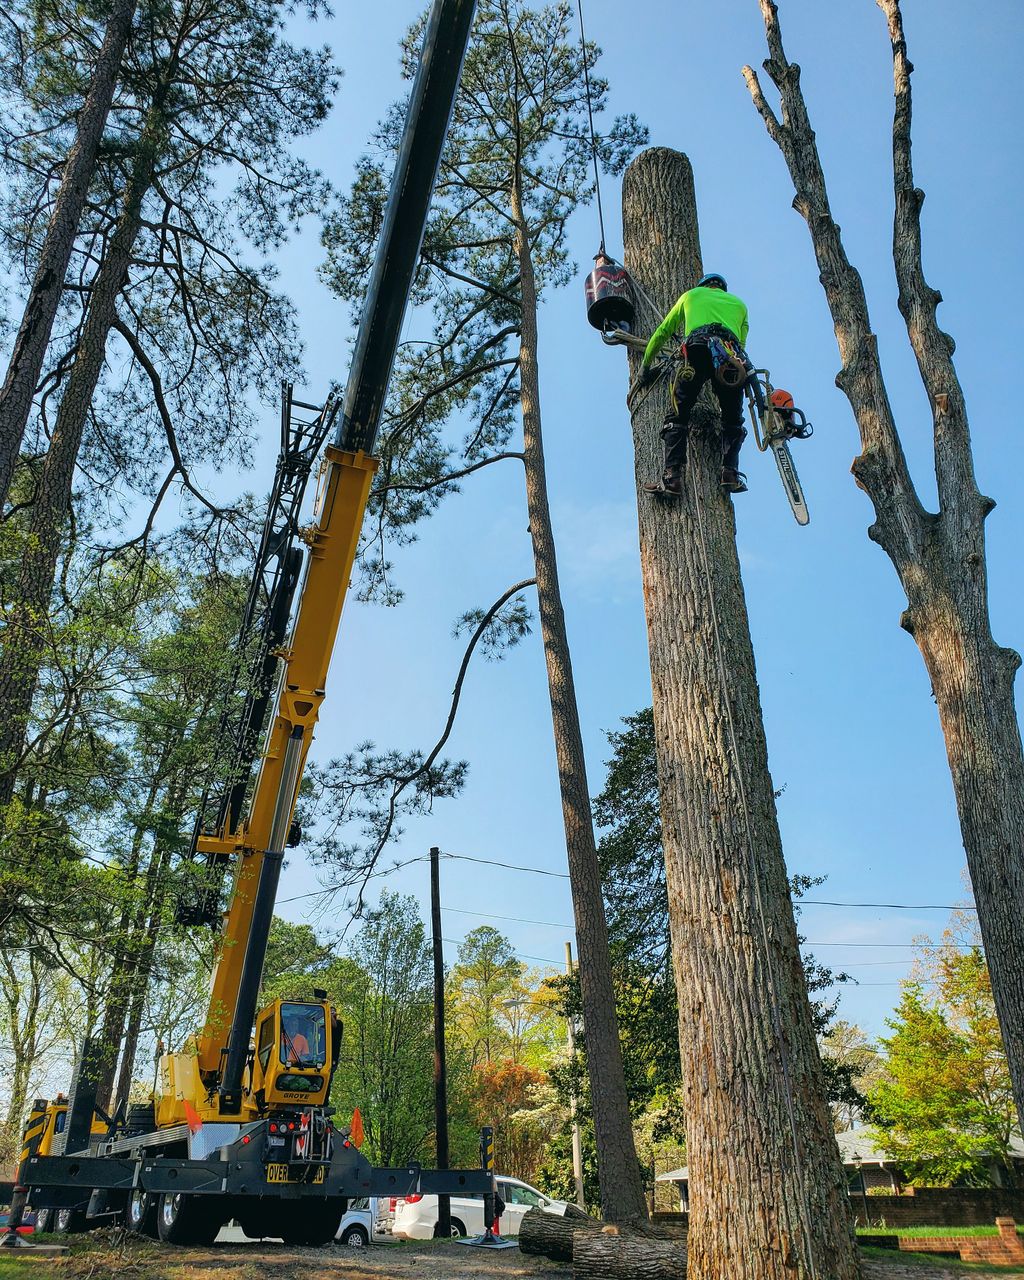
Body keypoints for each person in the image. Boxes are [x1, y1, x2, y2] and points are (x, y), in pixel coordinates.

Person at [636, 272, 750, 495]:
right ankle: (730, 473)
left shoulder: (690, 295)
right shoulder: (740, 305)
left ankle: (672, 478)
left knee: (678, 414)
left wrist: (645, 366)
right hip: (731, 356)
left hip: (698, 348)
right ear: (721, 289)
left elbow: (663, 331)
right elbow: (742, 342)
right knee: (733, 420)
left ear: (704, 286)